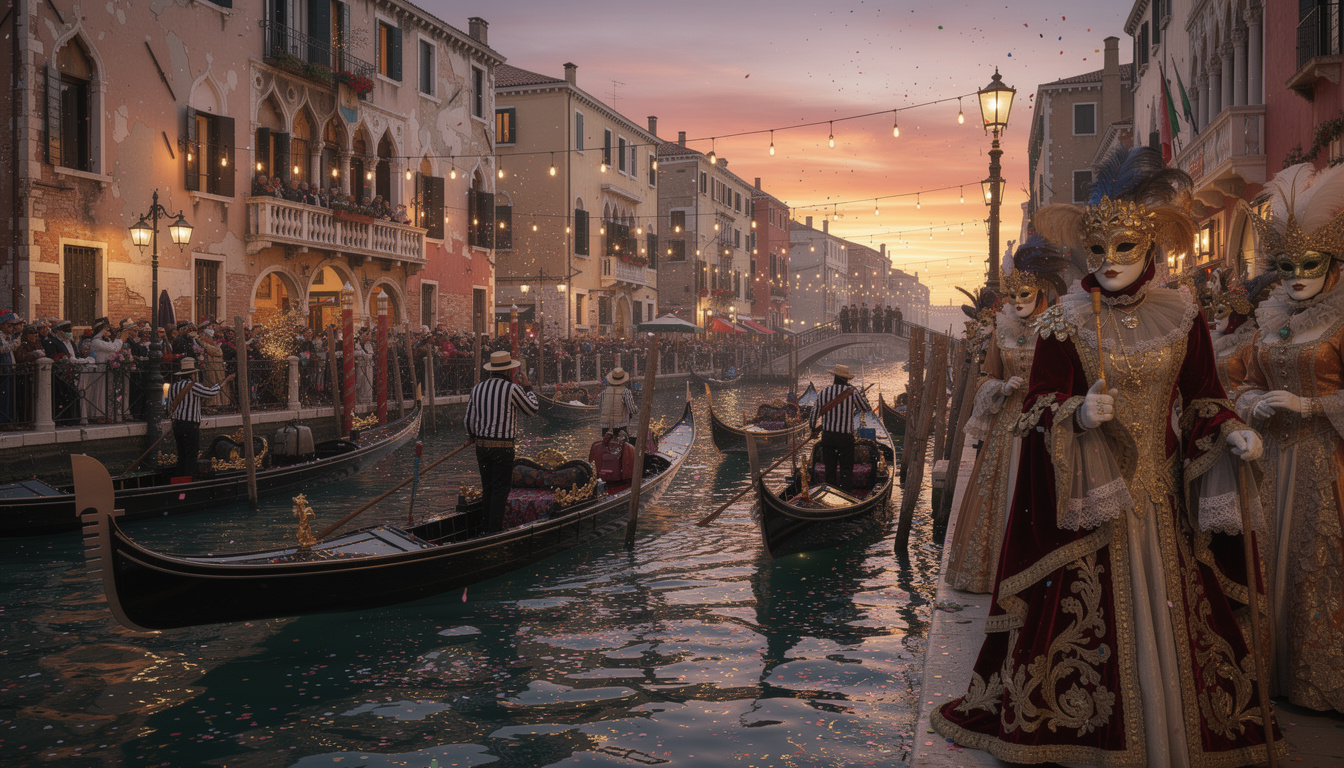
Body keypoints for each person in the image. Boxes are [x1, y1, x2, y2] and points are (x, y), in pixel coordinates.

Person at [934, 146, 1282, 766]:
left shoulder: (1183, 316)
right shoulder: (1063, 322)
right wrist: (1077, 412)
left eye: (1125, 247)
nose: (1110, 261)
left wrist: (1230, 430)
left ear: (1150, 247)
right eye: (1098, 250)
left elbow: (1204, 395)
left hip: (1162, 497)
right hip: (1088, 504)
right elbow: (1039, 407)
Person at [1232, 162, 1344, 713]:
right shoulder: (1272, 321)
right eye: (1287, 265)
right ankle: (1271, 675)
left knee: (1317, 565)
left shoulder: (1343, 322)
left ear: (1334, 264)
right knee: (1265, 562)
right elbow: (1247, 383)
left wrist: (1314, 404)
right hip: (1271, 461)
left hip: (1328, 465)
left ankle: (1319, 679)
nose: (1297, 274)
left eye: (1310, 263)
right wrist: (1252, 405)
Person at [944, 236, 1069, 594]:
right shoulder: (1002, 331)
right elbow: (986, 375)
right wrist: (1000, 387)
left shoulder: (1057, 330)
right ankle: (993, 569)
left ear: (1040, 291)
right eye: (1011, 297)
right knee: (1002, 490)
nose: (1016, 303)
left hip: (1045, 422)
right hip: (1008, 424)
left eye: (1024, 295)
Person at [464, 350, 539, 534]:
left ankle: (485, 527)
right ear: (508, 371)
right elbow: (532, 409)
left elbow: (468, 420)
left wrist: (473, 435)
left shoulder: (477, 388)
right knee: (500, 489)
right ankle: (493, 531)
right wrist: (528, 388)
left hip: (481, 447)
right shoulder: (512, 389)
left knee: (488, 488)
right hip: (502, 448)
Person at [809, 363, 872, 491]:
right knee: (846, 471)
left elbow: (813, 418)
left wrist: (813, 429)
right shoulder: (852, 392)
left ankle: (830, 496)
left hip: (828, 438)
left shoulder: (823, 393)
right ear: (846, 379)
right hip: (845, 438)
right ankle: (846, 497)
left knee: (830, 471)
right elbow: (865, 408)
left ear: (835, 377)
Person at [168, 357, 234, 478]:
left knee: (182, 455)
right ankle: (188, 483)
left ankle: (179, 481)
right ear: (193, 373)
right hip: (190, 426)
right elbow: (211, 392)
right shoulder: (193, 386)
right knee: (191, 456)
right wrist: (225, 381)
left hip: (177, 425)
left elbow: (170, 406)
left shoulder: (173, 387)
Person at [598, 366, 638, 437]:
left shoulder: (604, 392)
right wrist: (636, 409)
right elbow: (632, 410)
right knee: (620, 446)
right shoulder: (626, 392)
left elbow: (601, 408)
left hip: (605, 427)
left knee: (606, 444)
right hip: (620, 426)